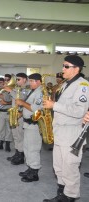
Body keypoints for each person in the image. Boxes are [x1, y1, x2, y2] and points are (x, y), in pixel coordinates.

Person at [43, 55, 89, 202]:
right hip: (59, 131)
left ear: (76, 69)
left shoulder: (83, 86)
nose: (62, 69)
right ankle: (61, 193)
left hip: (71, 133)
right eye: (63, 65)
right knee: (59, 166)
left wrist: (54, 105)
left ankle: (70, 196)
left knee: (70, 167)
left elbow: (79, 111)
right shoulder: (65, 84)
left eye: (66, 66)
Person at [16, 73, 43, 183]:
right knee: (27, 147)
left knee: (33, 148)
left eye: (32, 81)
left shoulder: (41, 92)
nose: (30, 83)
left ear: (39, 82)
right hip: (27, 124)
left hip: (34, 125)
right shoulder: (33, 91)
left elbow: (36, 108)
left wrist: (22, 102)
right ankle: (30, 168)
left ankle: (34, 172)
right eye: (30, 81)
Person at [5, 73, 29, 165]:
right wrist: (7, 90)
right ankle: (17, 153)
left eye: (19, 79)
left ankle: (21, 156)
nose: (17, 81)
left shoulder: (26, 89)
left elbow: (21, 99)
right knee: (15, 135)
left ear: (25, 80)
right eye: (16, 79)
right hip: (13, 114)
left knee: (20, 136)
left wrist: (10, 91)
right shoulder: (16, 88)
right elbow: (8, 99)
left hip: (20, 115)